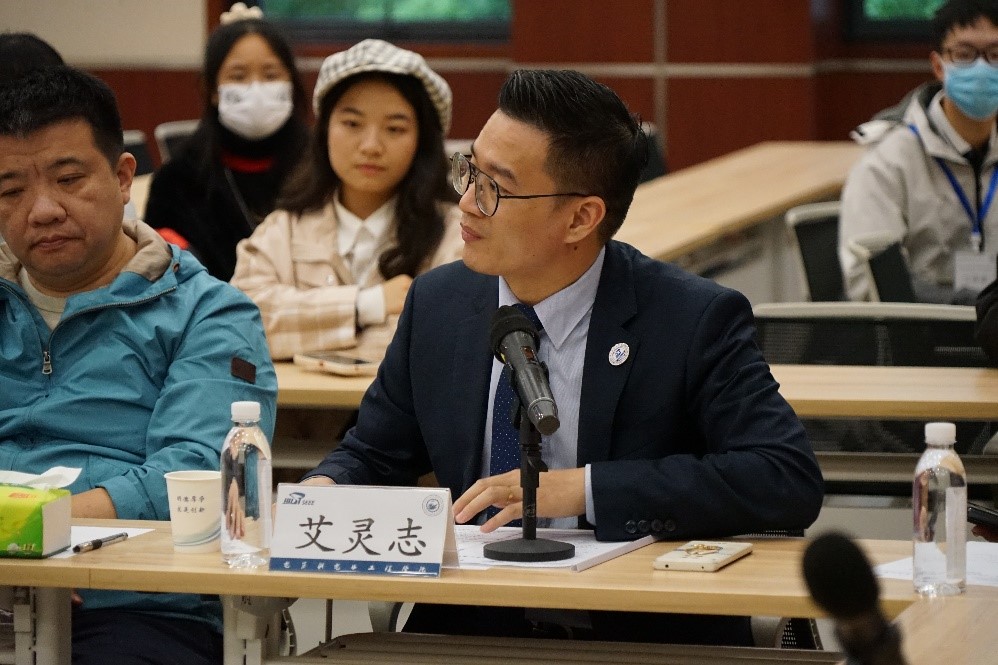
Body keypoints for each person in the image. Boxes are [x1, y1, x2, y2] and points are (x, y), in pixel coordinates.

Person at [300, 69, 824, 645]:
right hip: (473, 632)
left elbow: (783, 476)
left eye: (496, 187)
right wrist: (321, 490)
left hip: (640, 637)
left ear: (581, 218)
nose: (466, 201)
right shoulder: (440, 304)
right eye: (469, 170)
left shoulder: (690, 318)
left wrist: (586, 490)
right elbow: (375, 452)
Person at [0, 65, 277, 664]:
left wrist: (26, 534)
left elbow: (197, 475)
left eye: (68, 179)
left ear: (124, 177)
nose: (42, 210)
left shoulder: (209, 313)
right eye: (10, 191)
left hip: (135, 601)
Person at [230, 39, 462, 360]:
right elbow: (240, 323)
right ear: (325, 129)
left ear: (422, 142)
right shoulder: (284, 227)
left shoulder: (456, 233)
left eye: (395, 129)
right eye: (352, 124)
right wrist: (367, 305)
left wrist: (301, 332)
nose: (371, 146)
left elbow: (448, 338)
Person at [840, 0, 998, 304]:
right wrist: (968, 308)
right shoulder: (887, 161)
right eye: (965, 54)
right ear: (939, 66)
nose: (981, 68)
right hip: (922, 328)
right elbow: (872, 283)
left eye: (995, 54)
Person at [144, 3, 308, 281]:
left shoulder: (322, 166)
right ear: (212, 89)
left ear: (291, 83)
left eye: (270, 75)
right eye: (238, 76)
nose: (256, 89)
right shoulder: (177, 181)